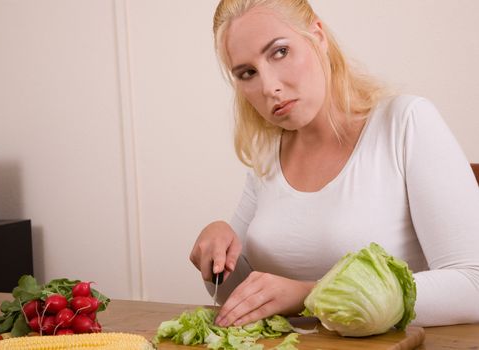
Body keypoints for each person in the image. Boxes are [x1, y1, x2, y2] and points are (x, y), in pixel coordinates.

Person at [189, 0, 479, 328]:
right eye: (247, 73)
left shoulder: (405, 123)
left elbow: (473, 284)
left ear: (318, 36)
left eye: (280, 52)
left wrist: (310, 295)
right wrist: (216, 251)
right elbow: (240, 297)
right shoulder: (268, 154)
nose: (269, 87)